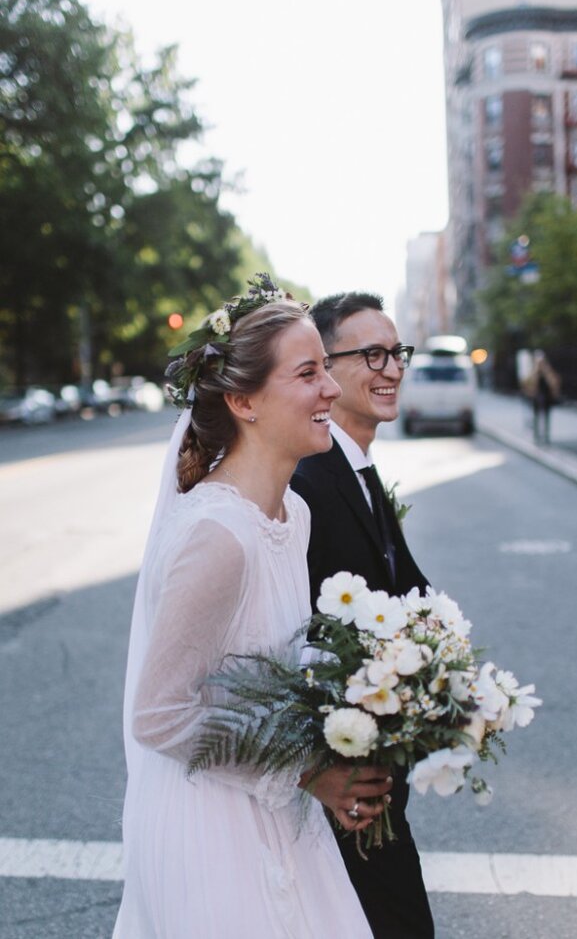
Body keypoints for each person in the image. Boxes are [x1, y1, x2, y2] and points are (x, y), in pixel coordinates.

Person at [113, 276, 382, 938]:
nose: (329, 389)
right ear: (243, 400)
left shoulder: (294, 515)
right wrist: (307, 770)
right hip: (210, 827)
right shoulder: (219, 537)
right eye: (308, 372)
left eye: (327, 368)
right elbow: (158, 713)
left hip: (277, 816)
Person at [290, 291, 435, 939]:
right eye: (371, 353)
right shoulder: (307, 482)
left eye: (397, 351)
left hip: (372, 774)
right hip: (342, 781)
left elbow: (405, 590)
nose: (393, 367)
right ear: (324, 367)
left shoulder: (358, 468)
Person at [524, 350, 561, 445]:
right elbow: (529, 384)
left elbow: (554, 383)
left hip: (546, 398)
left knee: (546, 417)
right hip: (536, 398)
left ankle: (546, 436)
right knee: (536, 417)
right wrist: (536, 370)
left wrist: (546, 370)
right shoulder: (533, 371)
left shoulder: (548, 371)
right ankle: (537, 437)